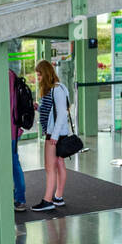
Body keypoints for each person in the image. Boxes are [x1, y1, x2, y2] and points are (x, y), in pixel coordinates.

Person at [32, 59, 71, 212]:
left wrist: (53, 135)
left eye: (39, 75)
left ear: (46, 74)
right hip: (57, 133)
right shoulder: (55, 89)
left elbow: (62, 113)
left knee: (50, 167)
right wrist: (39, 108)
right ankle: (58, 197)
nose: (38, 78)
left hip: (54, 135)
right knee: (59, 164)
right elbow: (52, 112)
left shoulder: (57, 89)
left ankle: (48, 200)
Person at [9, 65, 28, 211]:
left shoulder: (5, 77)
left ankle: (20, 198)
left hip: (8, 130)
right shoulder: (12, 76)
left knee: (14, 163)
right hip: (14, 129)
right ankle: (19, 198)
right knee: (14, 163)